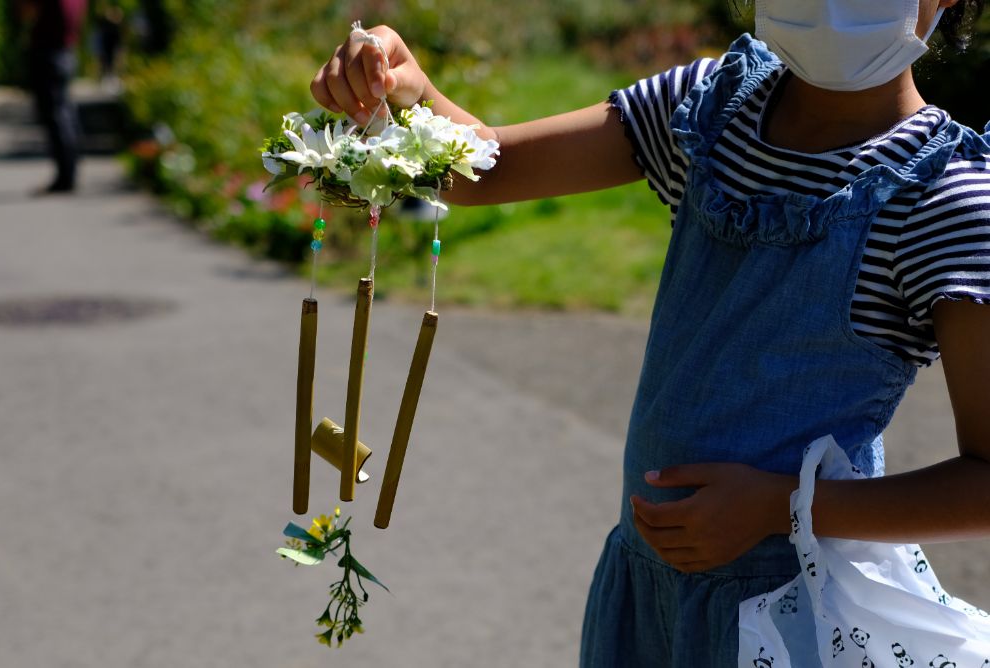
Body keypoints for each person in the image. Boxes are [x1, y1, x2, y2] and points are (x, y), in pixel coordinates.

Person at [311, 1, 990, 665]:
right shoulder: (710, 106)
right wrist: (407, 89)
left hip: (792, 616)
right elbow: (492, 169)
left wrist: (782, 508)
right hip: (643, 597)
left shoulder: (947, 198)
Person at [19, 0, 88, 194]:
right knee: (65, 111)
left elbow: (26, 11)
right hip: (67, 52)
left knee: (55, 114)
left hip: (47, 52)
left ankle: (65, 177)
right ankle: (69, 171)